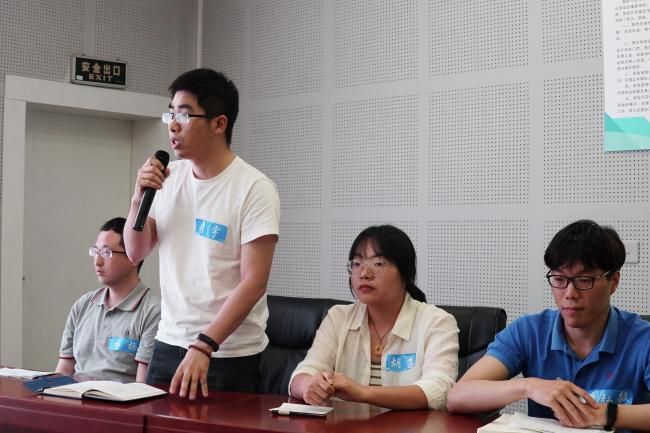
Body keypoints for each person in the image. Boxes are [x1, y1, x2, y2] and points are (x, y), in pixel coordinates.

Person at [124, 68, 280, 399]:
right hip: (168, 343)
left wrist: (205, 344)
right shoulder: (169, 178)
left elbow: (254, 282)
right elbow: (135, 252)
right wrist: (138, 198)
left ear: (219, 123)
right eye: (171, 114)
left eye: (184, 115)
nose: (173, 125)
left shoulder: (254, 188)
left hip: (226, 354)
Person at [447, 220, 650, 431]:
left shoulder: (642, 338)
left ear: (613, 282)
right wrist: (529, 386)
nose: (570, 294)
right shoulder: (530, 331)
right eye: (559, 279)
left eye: (584, 280)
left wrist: (606, 414)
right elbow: (457, 396)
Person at [289, 225, 459, 410]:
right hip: (346, 424)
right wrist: (309, 385)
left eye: (378, 263)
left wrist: (362, 393)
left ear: (405, 273)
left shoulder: (437, 322)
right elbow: (305, 372)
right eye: (357, 263)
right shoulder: (338, 318)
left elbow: (437, 391)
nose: (364, 274)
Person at [56, 217, 161, 383]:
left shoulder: (153, 310)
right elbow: (63, 370)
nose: (97, 262)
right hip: (75, 396)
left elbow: (143, 386)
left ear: (133, 257)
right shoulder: (83, 305)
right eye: (96, 252)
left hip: (122, 398)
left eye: (106, 253)